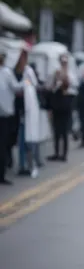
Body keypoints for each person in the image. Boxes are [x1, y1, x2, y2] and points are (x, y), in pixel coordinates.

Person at [48, 53, 78, 162]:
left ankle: (64, 154)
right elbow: (52, 88)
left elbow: (73, 87)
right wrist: (57, 80)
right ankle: (56, 152)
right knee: (56, 130)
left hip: (66, 104)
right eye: (62, 62)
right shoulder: (56, 72)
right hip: (57, 104)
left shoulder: (71, 74)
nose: (63, 64)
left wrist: (66, 80)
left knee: (64, 131)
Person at [0, 47, 23, 185]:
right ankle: (1, 175)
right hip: (5, 116)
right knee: (3, 146)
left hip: (5, 115)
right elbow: (17, 88)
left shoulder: (6, 73)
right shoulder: (7, 73)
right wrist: (26, 82)